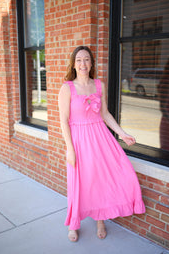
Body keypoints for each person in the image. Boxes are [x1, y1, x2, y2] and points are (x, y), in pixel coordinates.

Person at [58, 46, 145, 242]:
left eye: (86, 60)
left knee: (103, 179)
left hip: (100, 137)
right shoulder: (67, 88)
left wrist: (122, 134)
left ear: (91, 63)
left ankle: (100, 219)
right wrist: (70, 149)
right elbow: (63, 120)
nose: (83, 64)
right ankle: (73, 223)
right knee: (78, 182)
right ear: (73, 63)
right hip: (79, 140)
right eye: (79, 60)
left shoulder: (99, 85)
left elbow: (104, 114)